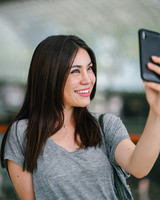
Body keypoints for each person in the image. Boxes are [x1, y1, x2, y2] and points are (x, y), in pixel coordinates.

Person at [1, 35, 160, 200]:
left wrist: (157, 111)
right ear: (49, 76)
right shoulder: (23, 134)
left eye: (89, 68)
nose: (88, 79)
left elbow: (139, 167)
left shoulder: (106, 126)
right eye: (75, 71)